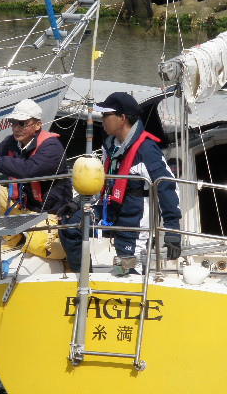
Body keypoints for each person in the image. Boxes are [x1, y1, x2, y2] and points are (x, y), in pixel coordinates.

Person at [58, 92, 182, 273]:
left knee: (127, 270)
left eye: (105, 115)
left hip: (134, 222)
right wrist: (78, 203)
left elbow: (167, 187)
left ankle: (130, 278)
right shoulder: (110, 145)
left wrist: (173, 230)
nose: (102, 119)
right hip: (109, 211)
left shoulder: (147, 150)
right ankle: (84, 279)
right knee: (70, 226)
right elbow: (102, 181)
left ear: (122, 118)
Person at [0, 98, 72, 216]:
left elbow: (28, 170)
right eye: (13, 122)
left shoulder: (52, 147)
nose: (16, 128)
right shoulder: (12, 142)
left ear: (37, 125)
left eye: (22, 123)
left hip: (51, 211)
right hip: (22, 205)